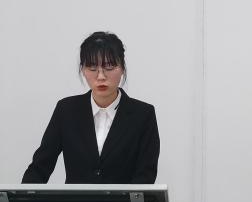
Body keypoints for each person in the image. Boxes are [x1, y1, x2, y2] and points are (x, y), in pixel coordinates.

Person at [22, 31, 159, 184]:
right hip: (76, 200)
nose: (101, 76)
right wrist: (21, 196)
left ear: (122, 68)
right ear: (82, 70)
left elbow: (145, 175)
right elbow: (40, 167)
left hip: (123, 200)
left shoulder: (143, 115)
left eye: (109, 67)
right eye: (92, 68)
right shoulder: (66, 110)